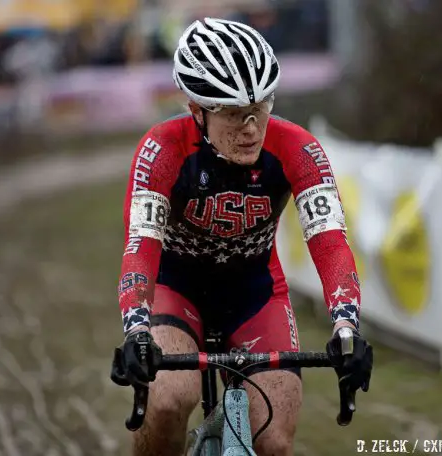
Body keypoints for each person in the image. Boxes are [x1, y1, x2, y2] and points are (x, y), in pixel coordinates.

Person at [110, 18, 373, 455]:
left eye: (261, 106)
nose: (251, 127)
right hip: (177, 291)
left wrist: (347, 328)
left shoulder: (299, 148)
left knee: (274, 443)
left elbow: (330, 242)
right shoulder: (161, 150)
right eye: (233, 114)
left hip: (254, 293)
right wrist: (137, 331)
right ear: (197, 110)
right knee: (171, 400)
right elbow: (140, 246)